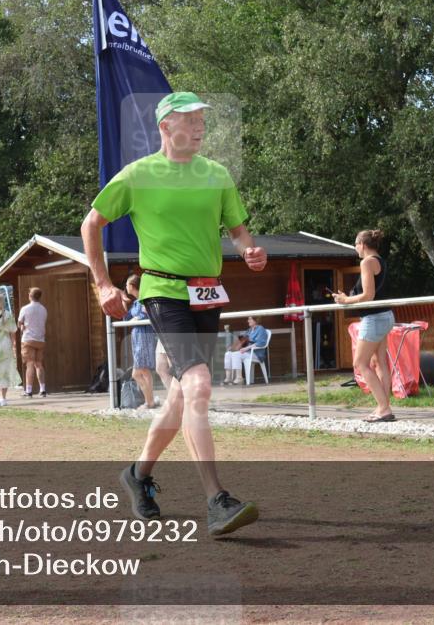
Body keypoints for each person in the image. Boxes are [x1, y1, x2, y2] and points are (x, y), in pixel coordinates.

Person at [81, 91, 267, 536]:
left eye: (203, 120)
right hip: (163, 291)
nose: (201, 127)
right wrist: (103, 284)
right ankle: (216, 499)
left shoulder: (217, 175)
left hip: (207, 294)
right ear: (165, 127)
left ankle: (138, 475)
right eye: (191, 120)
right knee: (200, 384)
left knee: (184, 395)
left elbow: (238, 231)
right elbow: (91, 224)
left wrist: (249, 250)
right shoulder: (138, 175)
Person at [332, 229, 396, 422]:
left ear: (363, 244)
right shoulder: (380, 260)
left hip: (374, 318)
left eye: (356, 243)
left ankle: (383, 408)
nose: (355, 248)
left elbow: (369, 295)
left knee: (360, 363)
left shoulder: (367, 262)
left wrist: (345, 300)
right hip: (386, 315)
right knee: (379, 363)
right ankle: (384, 407)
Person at [124, 274, 158, 408]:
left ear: (132, 286)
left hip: (143, 335)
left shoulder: (144, 300)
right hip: (138, 335)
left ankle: (149, 401)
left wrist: (135, 319)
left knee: (138, 372)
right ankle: (150, 401)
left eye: (127, 285)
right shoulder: (136, 302)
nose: (126, 287)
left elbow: (144, 315)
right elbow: (127, 318)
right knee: (144, 371)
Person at [18, 287, 48, 398]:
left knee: (29, 364)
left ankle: (29, 391)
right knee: (39, 364)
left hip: (28, 339)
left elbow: (20, 323)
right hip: (40, 339)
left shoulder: (25, 309)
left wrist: (22, 326)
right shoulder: (44, 309)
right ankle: (43, 389)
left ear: (30, 295)